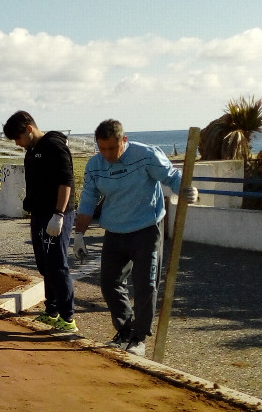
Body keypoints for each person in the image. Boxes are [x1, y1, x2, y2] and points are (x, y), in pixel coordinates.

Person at [74, 118, 199, 357]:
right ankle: (125, 330)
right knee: (109, 284)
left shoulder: (146, 156)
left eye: (113, 148)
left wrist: (186, 190)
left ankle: (139, 338)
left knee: (146, 285)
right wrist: (79, 233)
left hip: (146, 229)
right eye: (102, 149)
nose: (108, 154)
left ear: (124, 140)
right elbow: (88, 197)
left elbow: (172, 177)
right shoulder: (95, 165)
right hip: (115, 232)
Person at [2, 111, 76, 332]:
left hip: (56, 215)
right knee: (45, 265)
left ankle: (68, 318)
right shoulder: (32, 151)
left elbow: (66, 182)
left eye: (18, 138)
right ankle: (51, 311)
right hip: (39, 214)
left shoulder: (54, 146)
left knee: (57, 265)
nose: (17, 143)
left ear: (29, 129)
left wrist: (59, 215)